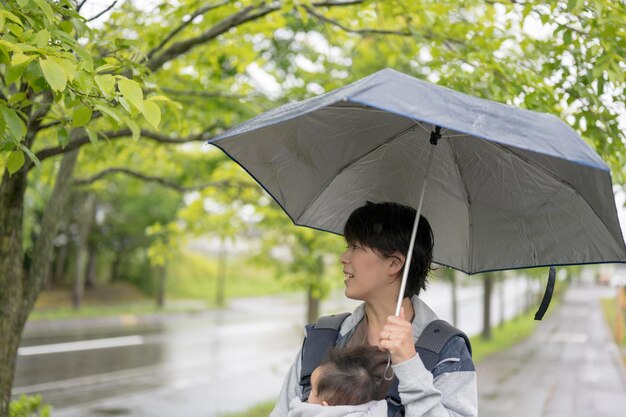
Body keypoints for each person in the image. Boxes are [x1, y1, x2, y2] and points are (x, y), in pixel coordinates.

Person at [270, 201, 478, 417]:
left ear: (394, 263)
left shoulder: (446, 349)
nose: (344, 257)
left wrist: (410, 365)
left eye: (356, 247)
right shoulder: (323, 338)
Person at [287, 346, 388, 417]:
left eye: (313, 390)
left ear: (325, 406)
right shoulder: (374, 410)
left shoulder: (306, 411)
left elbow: (293, 408)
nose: (308, 392)